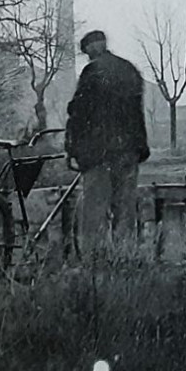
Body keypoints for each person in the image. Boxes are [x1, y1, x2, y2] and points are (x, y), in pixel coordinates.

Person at [64, 29, 150, 259]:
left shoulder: (92, 72)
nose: (89, 56)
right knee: (125, 210)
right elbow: (137, 113)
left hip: (99, 153)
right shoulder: (129, 70)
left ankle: (95, 264)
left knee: (95, 212)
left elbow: (79, 113)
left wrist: (71, 149)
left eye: (87, 51)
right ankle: (125, 260)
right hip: (128, 150)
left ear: (92, 47)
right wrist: (140, 148)